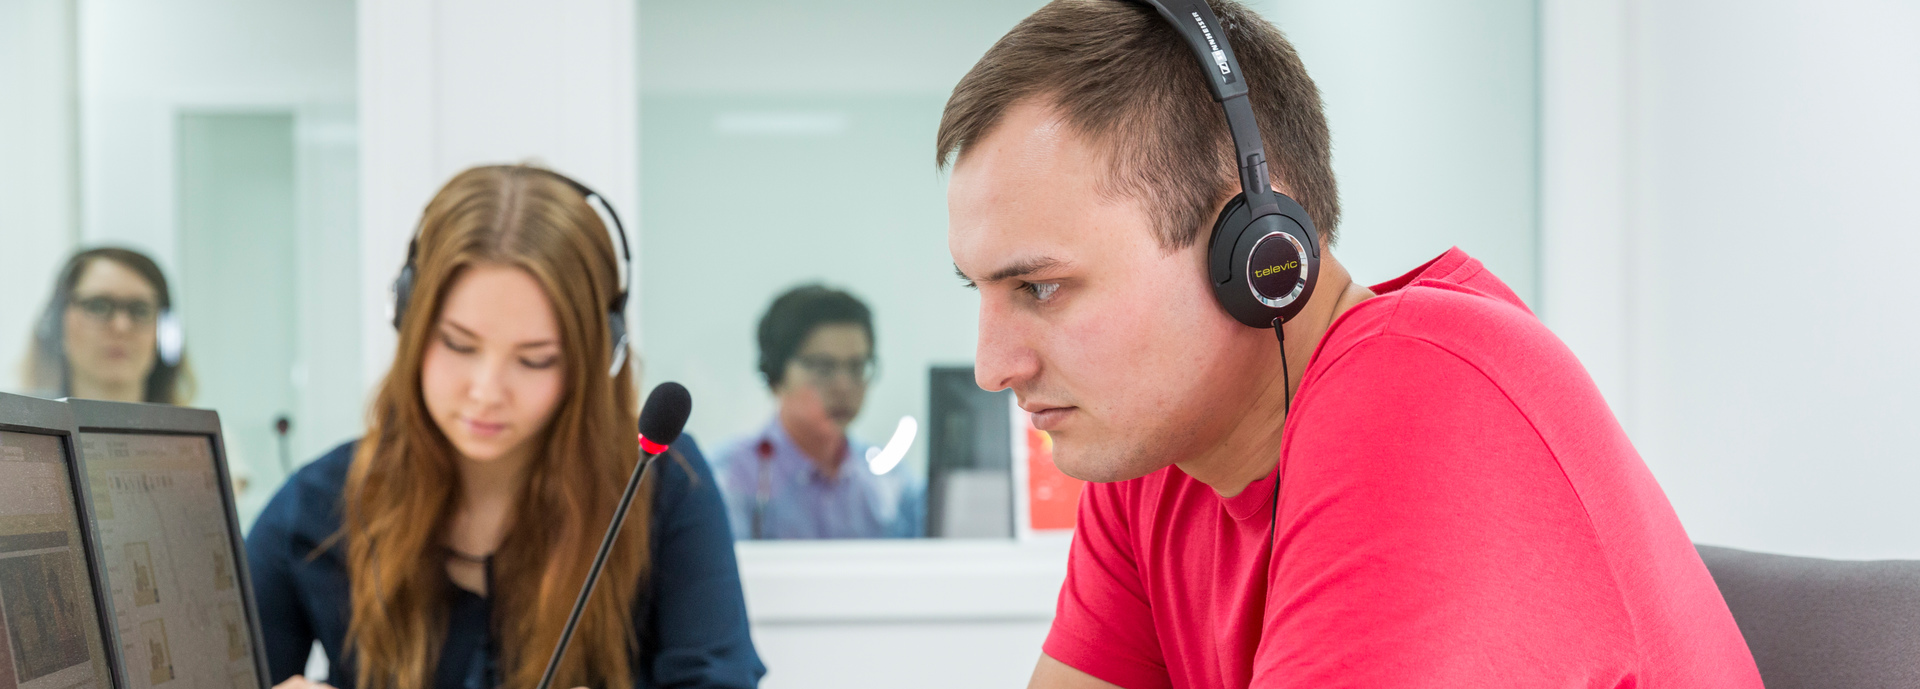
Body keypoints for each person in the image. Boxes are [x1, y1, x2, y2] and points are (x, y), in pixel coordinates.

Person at [940, 1, 1763, 687]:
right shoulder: (1153, 457)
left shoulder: (1423, 393)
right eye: (980, 292)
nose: (991, 366)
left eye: (1040, 288)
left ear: (1256, 248)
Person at [246, 165, 763, 689]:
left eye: (535, 360)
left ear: (598, 358)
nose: (487, 391)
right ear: (407, 319)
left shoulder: (663, 484)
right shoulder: (318, 503)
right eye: (459, 344)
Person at [715, 285, 916, 539]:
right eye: (823, 367)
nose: (844, 386)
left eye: (857, 367)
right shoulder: (731, 477)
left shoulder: (891, 482)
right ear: (775, 375)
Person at [20, 247, 194, 404]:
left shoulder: (209, 438)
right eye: (98, 306)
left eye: (140, 310)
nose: (121, 326)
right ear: (56, 324)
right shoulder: (9, 437)